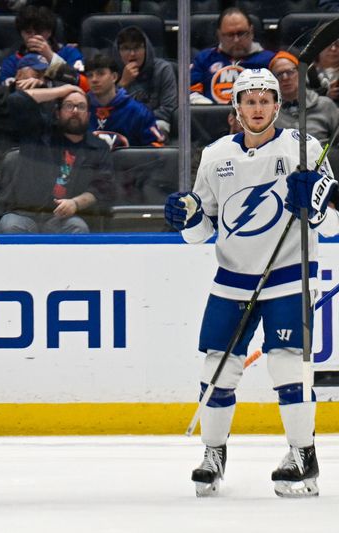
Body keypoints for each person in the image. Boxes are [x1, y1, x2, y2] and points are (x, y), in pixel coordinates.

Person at [164, 68, 339, 498]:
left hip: (287, 276)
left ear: (278, 106)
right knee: (216, 367)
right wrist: (185, 219)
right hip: (232, 279)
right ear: (236, 108)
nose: (257, 108)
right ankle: (213, 454)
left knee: (286, 364)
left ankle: (303, 454)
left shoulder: (305, 147)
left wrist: (313, 201)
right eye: (249, 101)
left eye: (265, 100)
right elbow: (203, 229)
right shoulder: (216, 154)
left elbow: (330, 222)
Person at [0, 83, 114, 233]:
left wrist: (75, 203)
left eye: (81, 106)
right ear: (58, 113)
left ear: (88, 115)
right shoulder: (39, 133)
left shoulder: (98, 147)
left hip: (64, 218)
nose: (75, 111)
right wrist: (60, 91)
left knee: (78, 228)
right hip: (24, 214)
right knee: (8, 226)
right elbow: (17, 100)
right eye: (68, 106)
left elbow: (103, 188)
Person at [190, 7, 282, 105]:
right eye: (230, 35)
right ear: (219, 35)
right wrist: (211, 110)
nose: (236, 40)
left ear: (251, 31)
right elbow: (191, 92)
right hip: (211, 118)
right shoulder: (204, 58)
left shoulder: (270, 60)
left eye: (241, 33)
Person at [86, 54, 165, 149]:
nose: (94, 79)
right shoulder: (81, 110)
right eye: (90, 75)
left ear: (114, 77)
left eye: (101, 74)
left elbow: (158, 149)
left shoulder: (139, 112)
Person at [113, 25, 177, 139]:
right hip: (121, 123)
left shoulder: (163, 69)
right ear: (118, 51)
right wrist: (122, 83)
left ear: (146, 48)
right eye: (126, 48)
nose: (132, 54)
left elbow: (169, 108)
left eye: (137, 47)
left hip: (156, 122)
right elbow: (107, 108)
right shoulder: (112, 73)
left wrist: (139, 121)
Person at [0, 5, 84, 87]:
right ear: (21, 33)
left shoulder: (69, 53)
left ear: (49, 32)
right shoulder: (11, 62)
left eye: (39, 32)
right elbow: (6, 93)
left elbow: (84, 84)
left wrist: (50, 56)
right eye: (28, 32)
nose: (34, 36)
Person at [271, 51, 339, 144]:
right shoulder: (270, 113)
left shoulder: (325, 106)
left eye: (290, 72)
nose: (285, 78)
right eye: (279, 74)